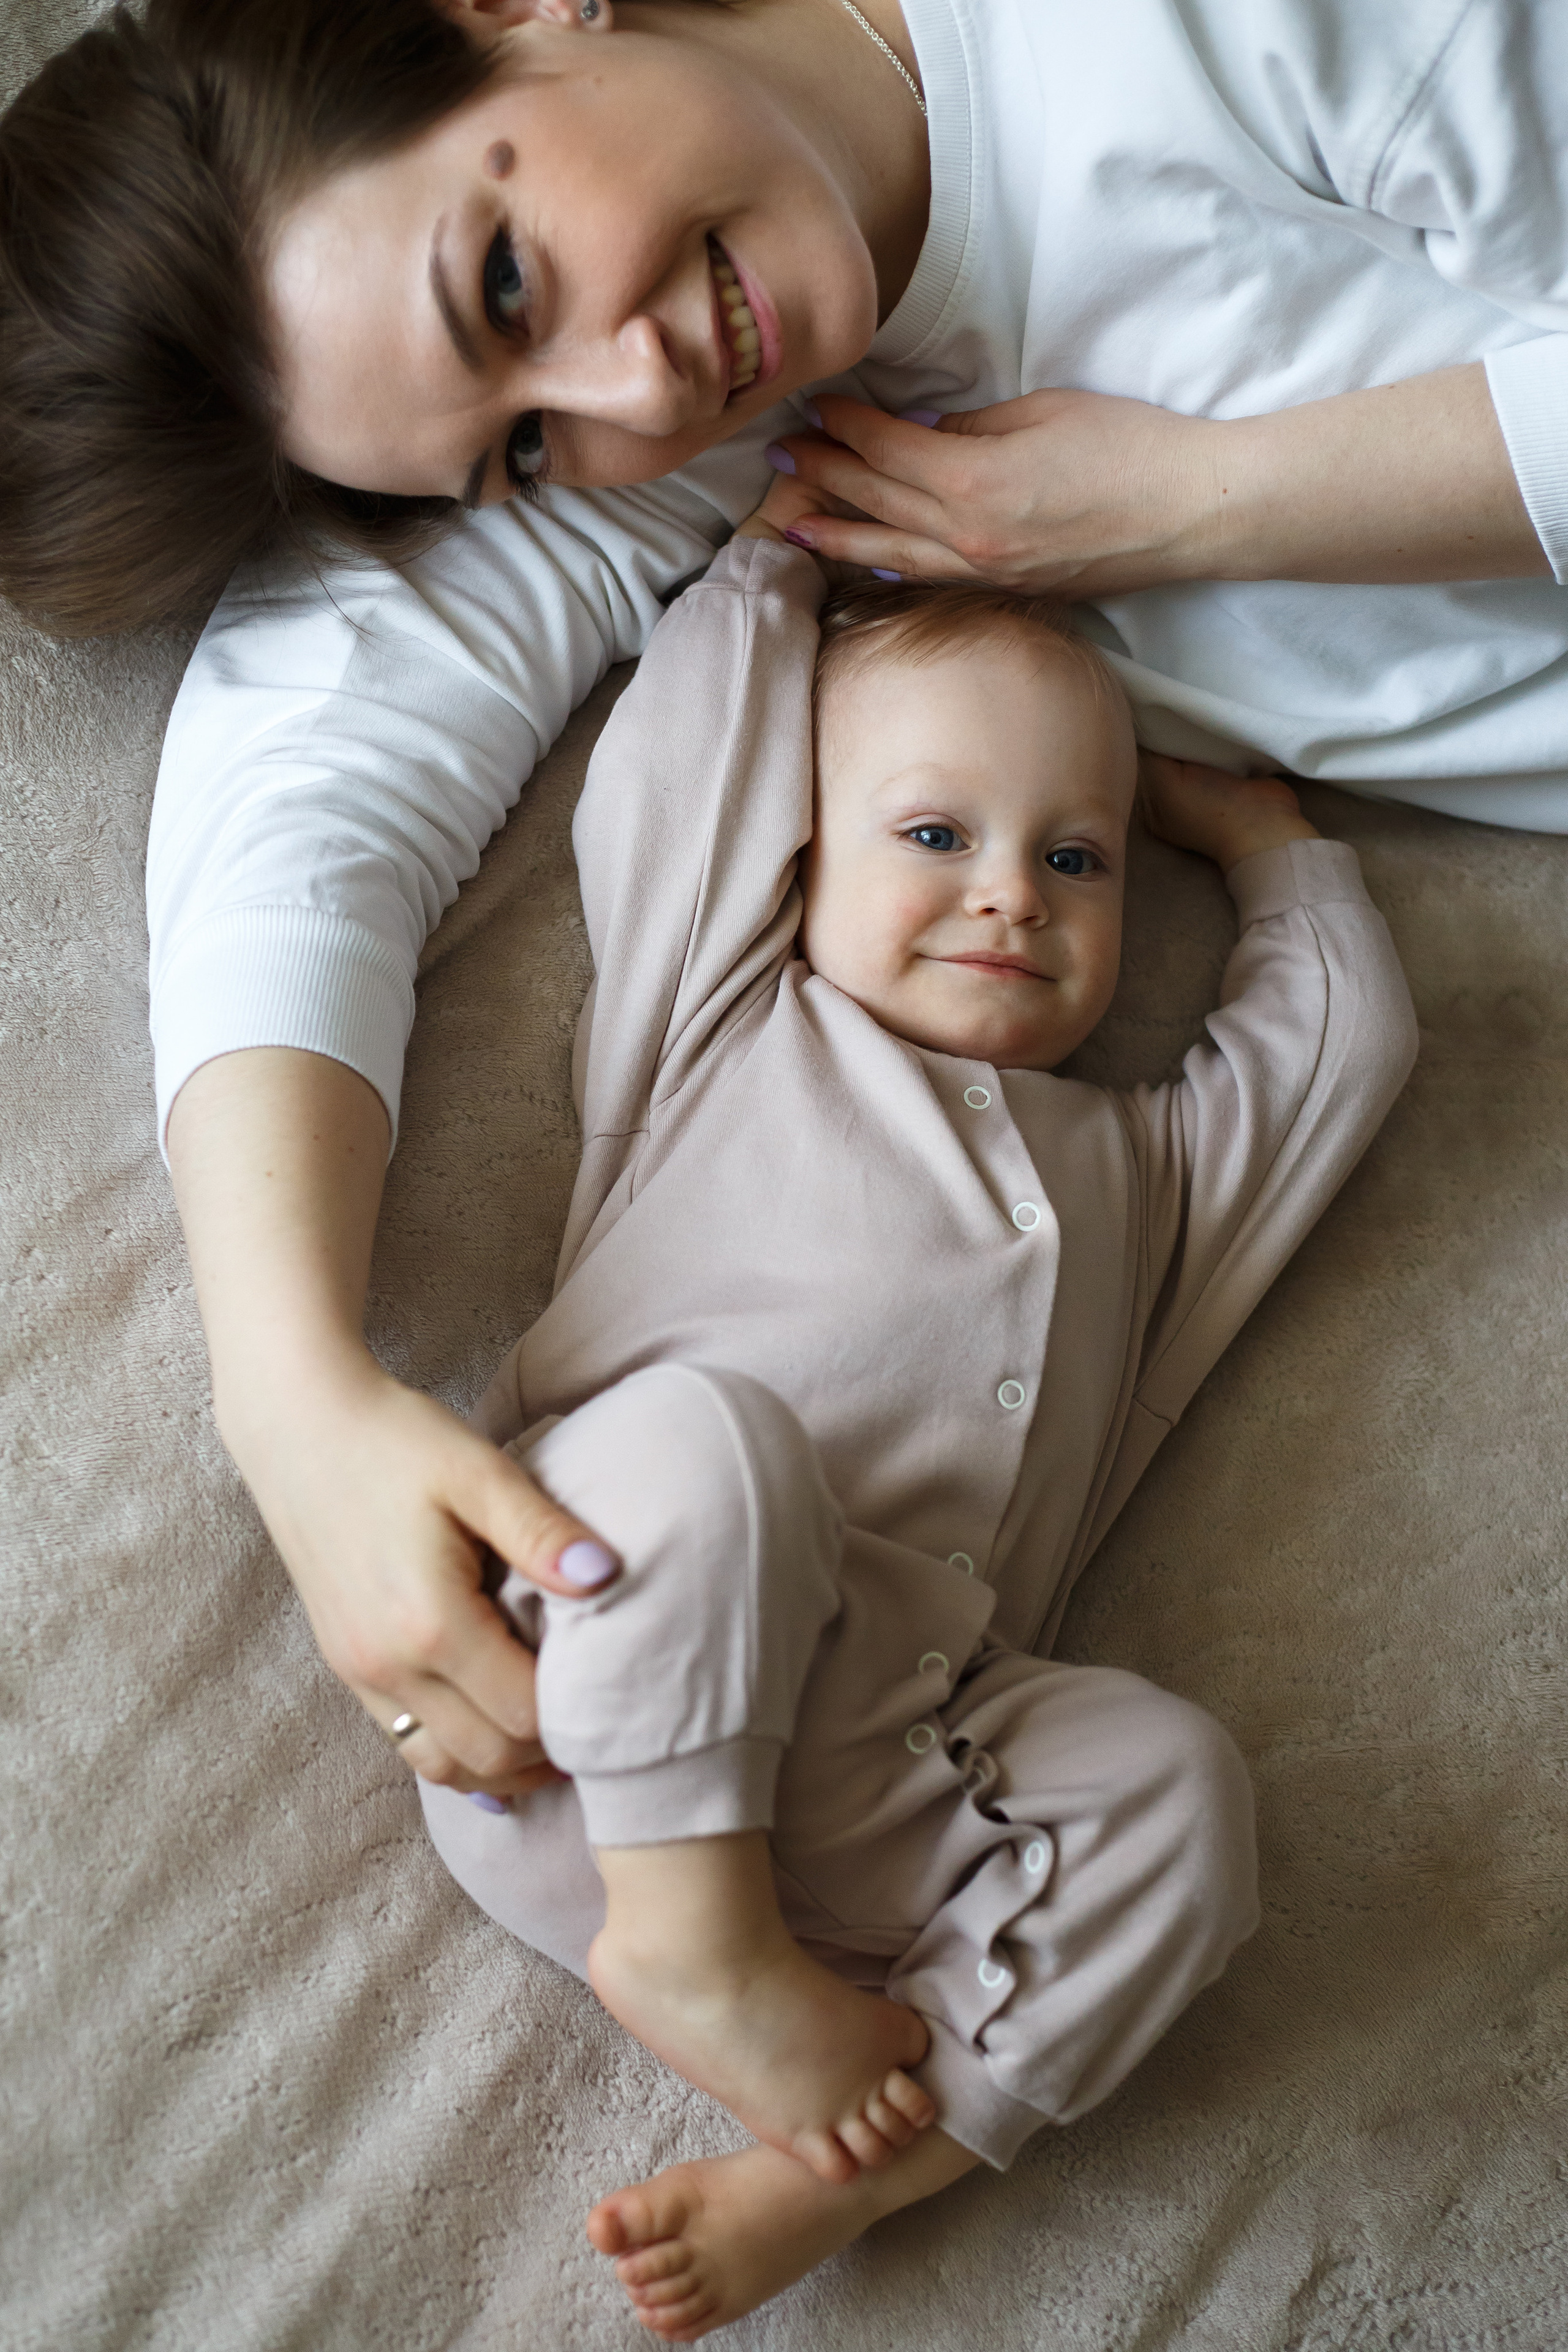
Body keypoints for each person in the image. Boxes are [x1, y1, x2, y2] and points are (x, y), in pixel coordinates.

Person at [2, 0, 1564, 1826]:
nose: (636, 393)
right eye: (516, 453)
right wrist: (292, 1398)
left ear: (510, 14)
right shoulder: (726, 442)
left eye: (506, 282)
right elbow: (307, 783)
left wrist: (1174, 506)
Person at [409, 491, 1418, 2335]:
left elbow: (1334, 1050)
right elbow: (691, 758)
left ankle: (851, 2167)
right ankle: (692, 1942)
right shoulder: (725, 1022)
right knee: (705, 1441)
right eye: (936, 834)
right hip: (577, 1692)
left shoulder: (1154, 1173)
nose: (1011, 894)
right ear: (801, 856)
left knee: (1183, 1796)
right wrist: (783, 549)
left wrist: (1264, 839)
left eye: (1083, 860)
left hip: (881, 1796)